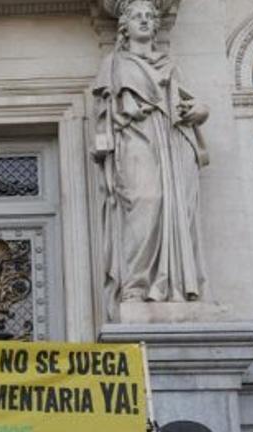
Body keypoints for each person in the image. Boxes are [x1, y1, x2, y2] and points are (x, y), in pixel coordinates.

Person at [92, 0, 209, 313]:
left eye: (149, 16)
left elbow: (191, 102)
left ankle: (166, 288)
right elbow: (103, 111)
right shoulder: (114, 62)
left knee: (168, 205)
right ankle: (136, 286)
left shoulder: (168, 65)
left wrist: (200, 110)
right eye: (137, 16)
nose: (144, 21)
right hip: (133, 138)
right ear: (124, 26)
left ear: (156, 26)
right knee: (146, 201)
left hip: (169, 139)